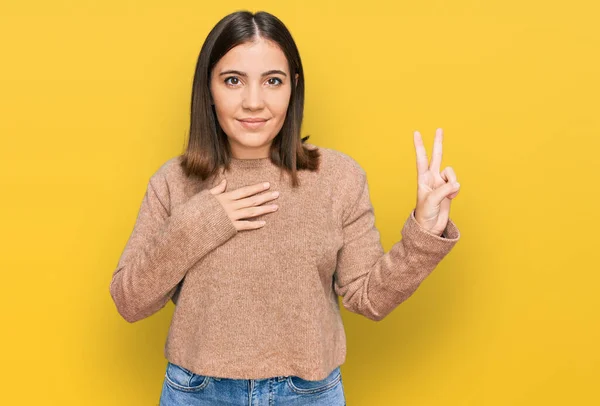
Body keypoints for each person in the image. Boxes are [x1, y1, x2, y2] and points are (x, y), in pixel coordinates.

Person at [109, 9, 461, 406]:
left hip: (308, 394)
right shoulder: (173, 181)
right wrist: (202, 221)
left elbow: (369, 299)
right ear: (208, 88)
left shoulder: (338, 178)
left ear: (293, 87)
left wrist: (423, 234)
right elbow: (130, 301)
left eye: (272, 81)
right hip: (197, 393)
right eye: (232, 80)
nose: (253, 102)